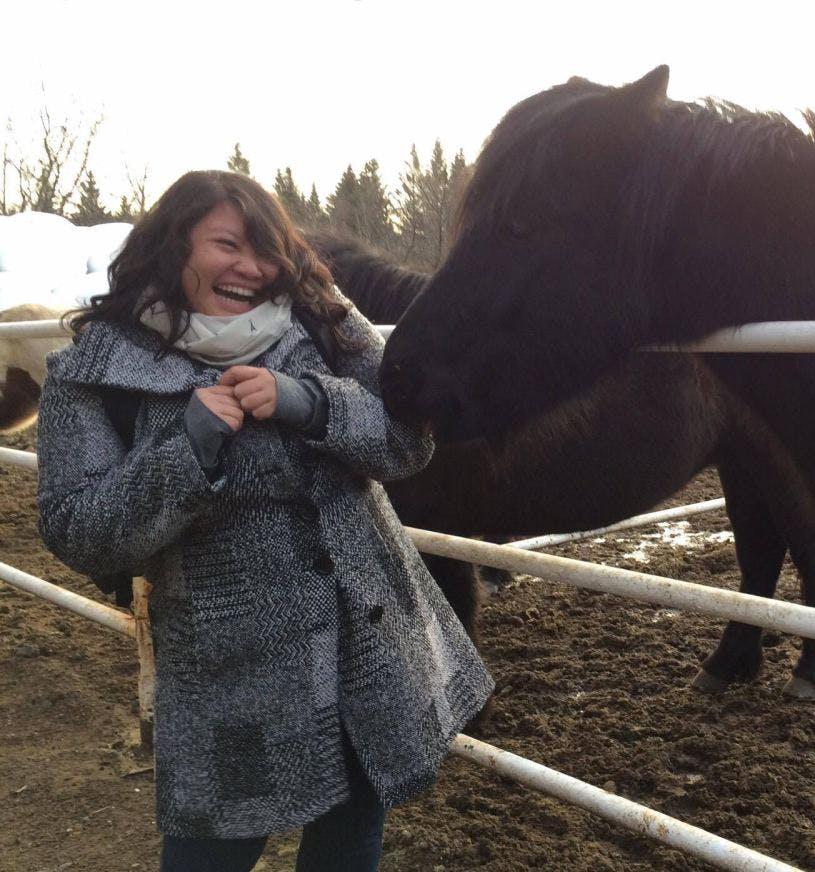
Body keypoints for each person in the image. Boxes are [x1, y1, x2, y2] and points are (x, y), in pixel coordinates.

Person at [35, 170, 492, 872]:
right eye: (227, 244)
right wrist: (183, 453)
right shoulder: (92, 372)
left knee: (351, 836)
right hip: (227, 677)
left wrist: (313, 403)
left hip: (363, 645)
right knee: (209, 854)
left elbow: (410, 443)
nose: (252, 267)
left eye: (267, 249)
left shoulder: (324, 322)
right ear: (171, 247)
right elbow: (77, 529)